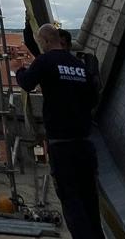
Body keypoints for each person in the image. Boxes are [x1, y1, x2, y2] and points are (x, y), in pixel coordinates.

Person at [12, 23, 105, 239]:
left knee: (71, 201)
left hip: (61, 145)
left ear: (44, 41)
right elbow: (92, 98)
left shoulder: (45, 61)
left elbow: (26, 83)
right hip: (84, 143)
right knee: (90, 201)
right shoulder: (78, 64)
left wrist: (19, 70)